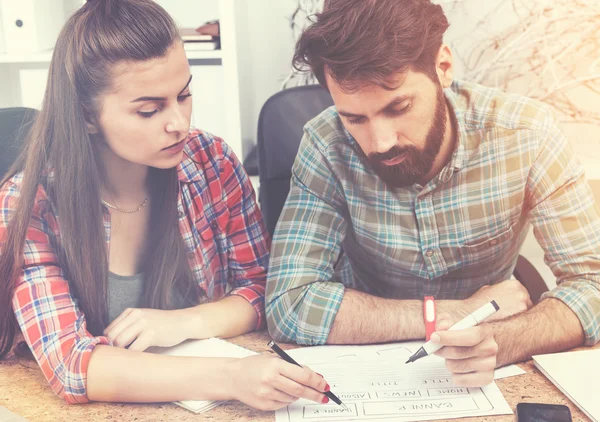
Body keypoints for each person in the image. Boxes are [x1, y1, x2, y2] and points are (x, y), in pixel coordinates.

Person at [0, 0, 330, 410]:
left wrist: (182, 322)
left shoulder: (211, 162)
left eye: (184, 94)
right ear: (87, 116)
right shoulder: (27, 204)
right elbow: (73, 365)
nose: (179, 123)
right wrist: (232, 378)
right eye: (149, 110)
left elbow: (261, 288)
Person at [266, 0, 600, 388]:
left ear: (443, 67)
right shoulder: (325, 143)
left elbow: (593, 284)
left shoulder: (527, 135)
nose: (380, 143)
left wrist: (504, 339)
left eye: (398, 107)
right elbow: (288, 303)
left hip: (485, 368)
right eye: (355, 118)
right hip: (364, 366)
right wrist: (449, 314)